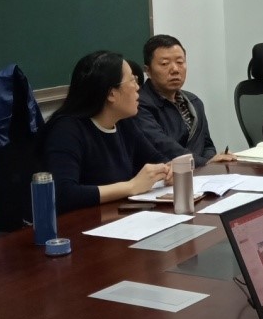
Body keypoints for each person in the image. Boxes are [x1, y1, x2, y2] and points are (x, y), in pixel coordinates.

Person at [41, 50, 172, 213]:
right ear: (111, 94)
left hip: (116, 216)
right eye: (132, 80)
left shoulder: (124, 122)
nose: (138, 87)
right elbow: (63, 194)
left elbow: (155, 159)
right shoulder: (66, 131)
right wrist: (131, 186)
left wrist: (169, 170)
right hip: (81, 222)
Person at [135, 34, 235, 167]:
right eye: (164, 64)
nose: (175, 70)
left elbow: (207, 145)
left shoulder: (194, 102)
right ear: (148, 70)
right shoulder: (138, 104)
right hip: (166, 175)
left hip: (199, 173)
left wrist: (211, 163)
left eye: (180, 62)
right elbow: (162, 146)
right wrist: (205, 163)